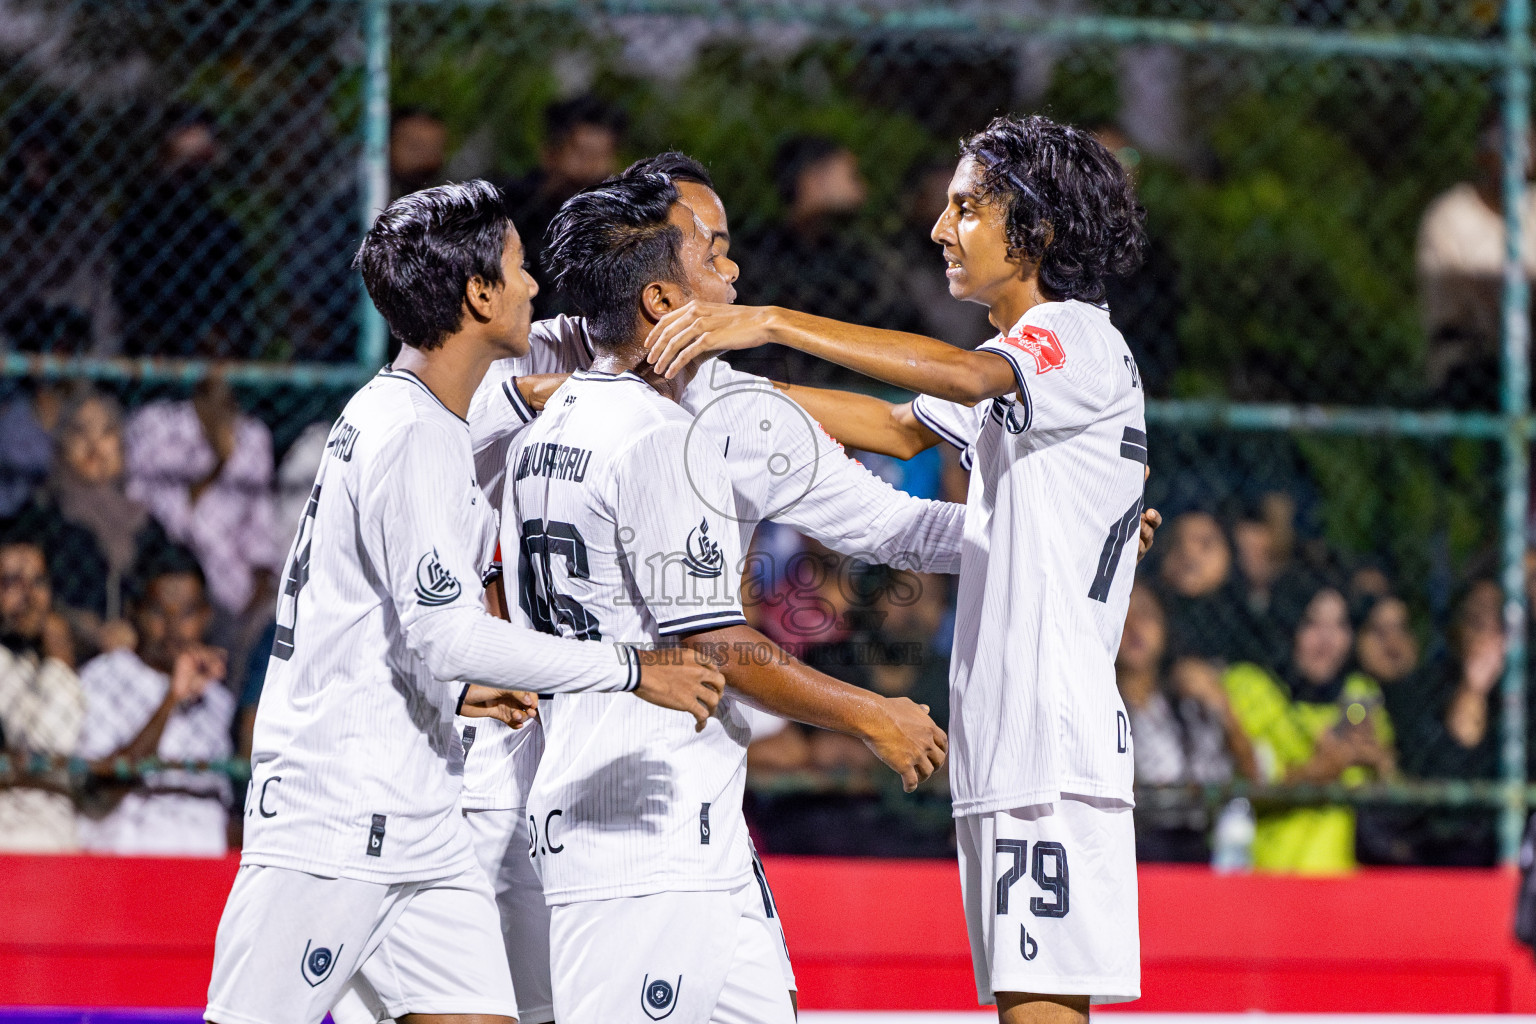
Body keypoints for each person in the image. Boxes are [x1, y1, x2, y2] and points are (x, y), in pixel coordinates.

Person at [645, 113, 1153, 1018]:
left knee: (1041, 1007)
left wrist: (762, 322)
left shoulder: (1072, 336)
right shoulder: (1025, 365)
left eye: (965, 208)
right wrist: (723, 384)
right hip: (1015, 735)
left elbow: (961, 381)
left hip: (1052, 738)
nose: (940, 227)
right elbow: (894, 425)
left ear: (1031, 228)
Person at [203, 180, 725, 1024]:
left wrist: (456, 687)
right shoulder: (410, 435)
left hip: (422, 821)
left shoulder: (410, 417)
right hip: (338, 815)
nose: (532, 288)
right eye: (518, 271)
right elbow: (445, 634)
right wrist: (633, 669)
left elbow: (393, 619)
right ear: (479, 294)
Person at [472, 167, 953, 1024]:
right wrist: (874, 716)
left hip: (693, 821)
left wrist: (1053, 535)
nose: (733, 274)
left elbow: (891, 511)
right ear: (659, 295)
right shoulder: (627, 420)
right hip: (621, 816)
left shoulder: (621, 407)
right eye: (713, 250)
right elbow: (718, 643)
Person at [1222, 579, 1397, 874]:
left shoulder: (1359, 693)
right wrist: (1320, 771)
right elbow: (1247, 785)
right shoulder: (1248, 687)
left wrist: (1381, 763)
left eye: (1340, 626)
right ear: (1287, 626)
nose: (1327, 642)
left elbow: (1390, 787)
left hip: (1342, 885)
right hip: (1263, 879)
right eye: (1313, 624)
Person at [125, 374, 282, 689]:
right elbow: (180, 528)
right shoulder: (159, 427)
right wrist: (219, 465)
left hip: (238, 600)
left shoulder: (252, 437)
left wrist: (253, 615)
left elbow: (263, 539)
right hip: (181, 575)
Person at [73, 552, 234, 855]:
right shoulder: (103, 678)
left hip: (205, 875)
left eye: (186, 613)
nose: (173, 629)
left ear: (206, 616)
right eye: (159, 613)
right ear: (134, 612)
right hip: (126, 870)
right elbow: (98, 798)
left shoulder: (217, 698)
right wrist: (172, 700)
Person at [730, 135, 917, 385]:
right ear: (813, 178)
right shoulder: (756, 252)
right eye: (850, 173)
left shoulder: (853, 253)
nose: (861, 185)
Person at [1115, 583, 1256, 863]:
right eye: (1123, 613)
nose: (1133, 626)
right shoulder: (1095, 702)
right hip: (1128, 846)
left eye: (1145, 614)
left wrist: (1221, 704)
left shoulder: (1185, 708)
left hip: (1195, 847)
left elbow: (1251, 776)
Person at [1416, 108, 1536, 408]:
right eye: (1503, 143)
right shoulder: (1451, 215)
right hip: (1471, 360)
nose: (1517, 155)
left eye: (1526, 141)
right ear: (1481, 152)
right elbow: (1453, 311)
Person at [112, 106, 253, 357]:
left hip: (206, 341)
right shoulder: (138, 222)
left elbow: (236, 299)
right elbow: (128, 294)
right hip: (152, 342)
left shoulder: (222, 229)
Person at [46, 390, 174, 658]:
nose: (94, 445)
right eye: (80, 432)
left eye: (106, 432)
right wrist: (91, 630)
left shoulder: (144, 524)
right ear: (62, 445)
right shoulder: (47, 518)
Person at [500, 95, 627, 318]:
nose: (593, 169)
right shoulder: (507, 208)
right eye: (583, 154)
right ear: (550, 153)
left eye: (603, 155)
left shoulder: (619, 223)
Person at [0, 534, 84, 852]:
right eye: (11, 582)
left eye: (37, 582)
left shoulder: (39, 659)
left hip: (58, 838)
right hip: (11, 837)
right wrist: (61, 656)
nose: (29, 597)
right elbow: (52, 741)